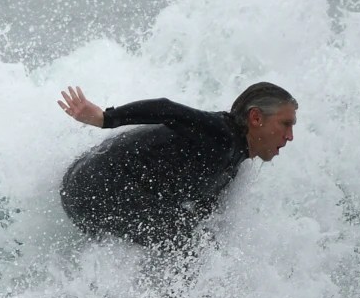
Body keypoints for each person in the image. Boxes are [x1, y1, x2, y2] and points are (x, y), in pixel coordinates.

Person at [57, 83, 298, 248]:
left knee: (197, 241)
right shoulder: (220, 133)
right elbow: (166, 108)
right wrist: (105, 118)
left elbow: (204, 213)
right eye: (286, 124)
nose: (289, 137)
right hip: (92, 186)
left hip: (94, 189)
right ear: (255, 118)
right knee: (187, 245)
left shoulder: (234, 161)